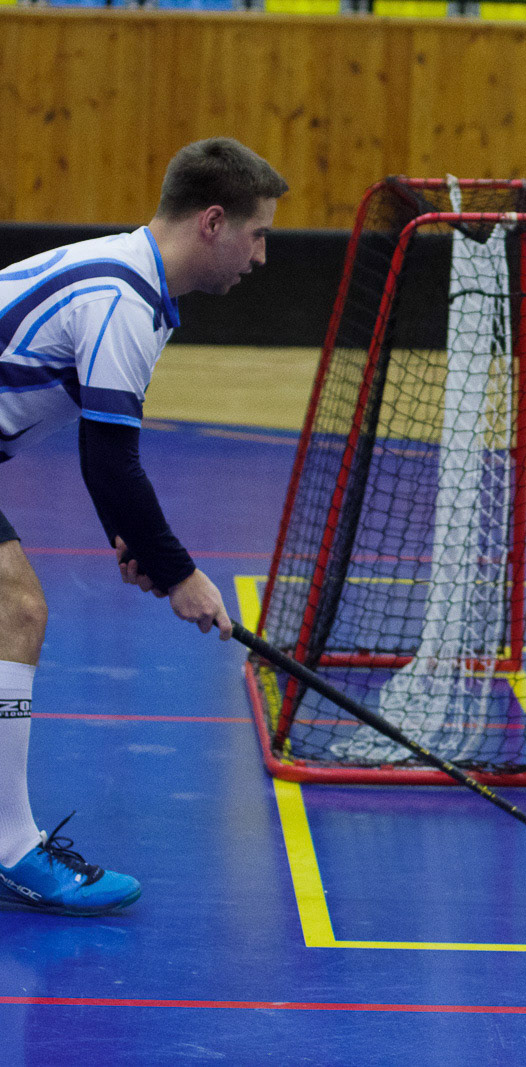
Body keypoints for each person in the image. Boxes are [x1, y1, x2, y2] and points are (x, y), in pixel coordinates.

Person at [0, 137, 287, 915]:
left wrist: (144, 549)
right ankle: (13, 847)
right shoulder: (123, 295)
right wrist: (180, 574)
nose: (261, 256)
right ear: (213, 222)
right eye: (258, 234)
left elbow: (107, 459)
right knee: (15, 609)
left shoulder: (136, 286)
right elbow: (110, 465)